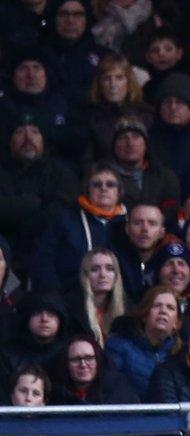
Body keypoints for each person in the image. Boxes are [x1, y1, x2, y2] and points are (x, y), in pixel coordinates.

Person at [32, 163, 127, 293]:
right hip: (71, 296)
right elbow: (44, 260)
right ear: (87, 190)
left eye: (110, 184)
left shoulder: (130, 223)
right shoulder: (65, 220)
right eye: (96, 185)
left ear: (119, 191)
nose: (103, 188)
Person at [0, 113, 79, 269]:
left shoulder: (60, 172)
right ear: (9, 141)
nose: (28, 138)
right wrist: (33, 203)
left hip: (50, 259)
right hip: (6, 260)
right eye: (20, 132)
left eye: (35, 132)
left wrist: (17, 214)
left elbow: (62, 212)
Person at [105, 286, 182, 395]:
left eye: (170, 308)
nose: (163, 311)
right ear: (144, 315)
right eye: (157, 305)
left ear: (176, 323)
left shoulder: (181, 354)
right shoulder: (118, 345)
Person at [64, 248, 127, 346]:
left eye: (109, 269)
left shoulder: (128, 309)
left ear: (116, 276)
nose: (102, 275)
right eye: (95, 269)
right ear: (85, 275)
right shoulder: (71, 309)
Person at [53, 335, 138, 405]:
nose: (83, 364)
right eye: (75, 359)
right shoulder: (56, 395)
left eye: (89, 358)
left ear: (98, 361)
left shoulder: (120, 392)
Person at [112, 203, 168, 301]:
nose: (145, 229)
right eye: (137, 223)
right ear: (127, 229)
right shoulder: (112, 264)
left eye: (152, 224)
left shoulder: (168, 266)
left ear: (162, 232)